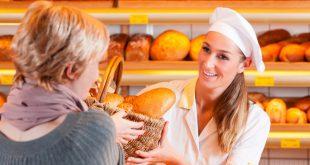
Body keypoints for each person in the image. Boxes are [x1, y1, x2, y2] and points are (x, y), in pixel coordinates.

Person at [0, 1, 143, 164]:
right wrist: (107, 134)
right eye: (96, 63)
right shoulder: (95, 127)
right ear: (71, 70)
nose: (97, 76)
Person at [127, 7, 270, 165]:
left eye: (222, 56)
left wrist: (175, 160)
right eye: (206, 49)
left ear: (244, 64)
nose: (208, 64)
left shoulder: (253, 120)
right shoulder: (156, 97)